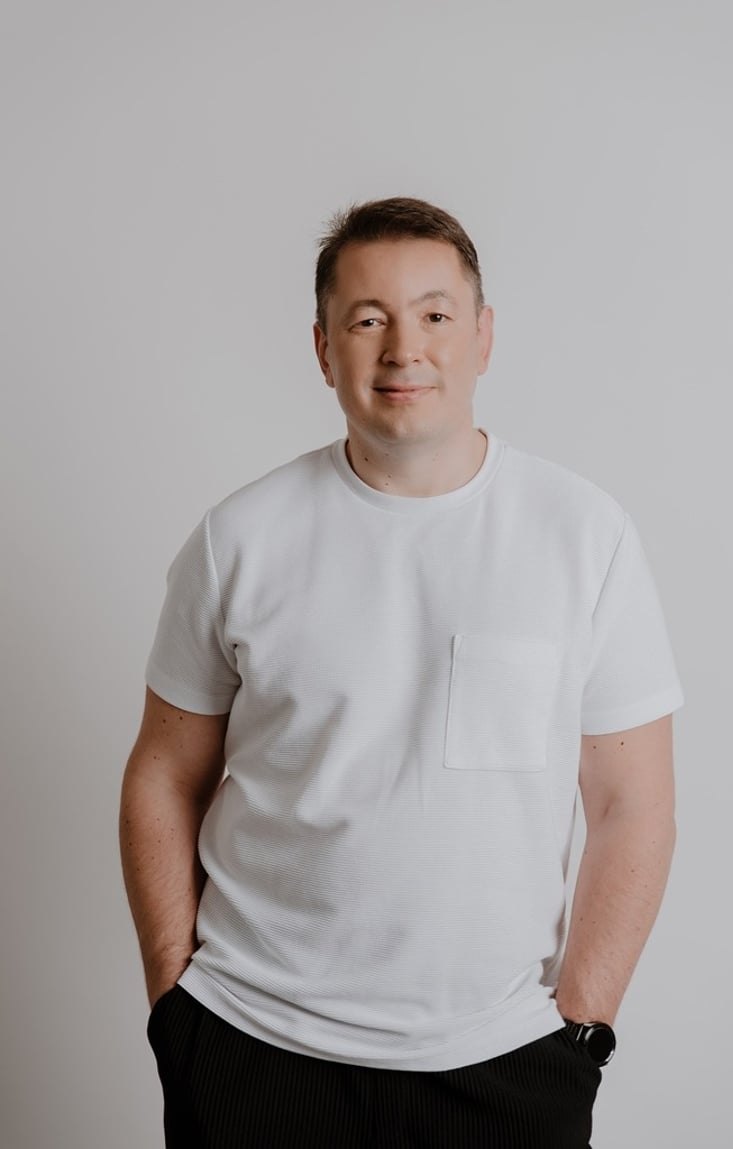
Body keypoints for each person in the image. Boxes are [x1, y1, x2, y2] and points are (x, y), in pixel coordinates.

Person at [119, 196, 683, 1148]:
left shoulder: (585, 536)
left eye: (435, 314)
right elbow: (163, 773)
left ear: (483, 335)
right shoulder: (239, 539)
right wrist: (176, 1002)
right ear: (322, 347)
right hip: (252, 1045)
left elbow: (635, 804)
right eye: (367, 319)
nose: (403, 349)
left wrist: (581, 1030)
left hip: (503, 1063)